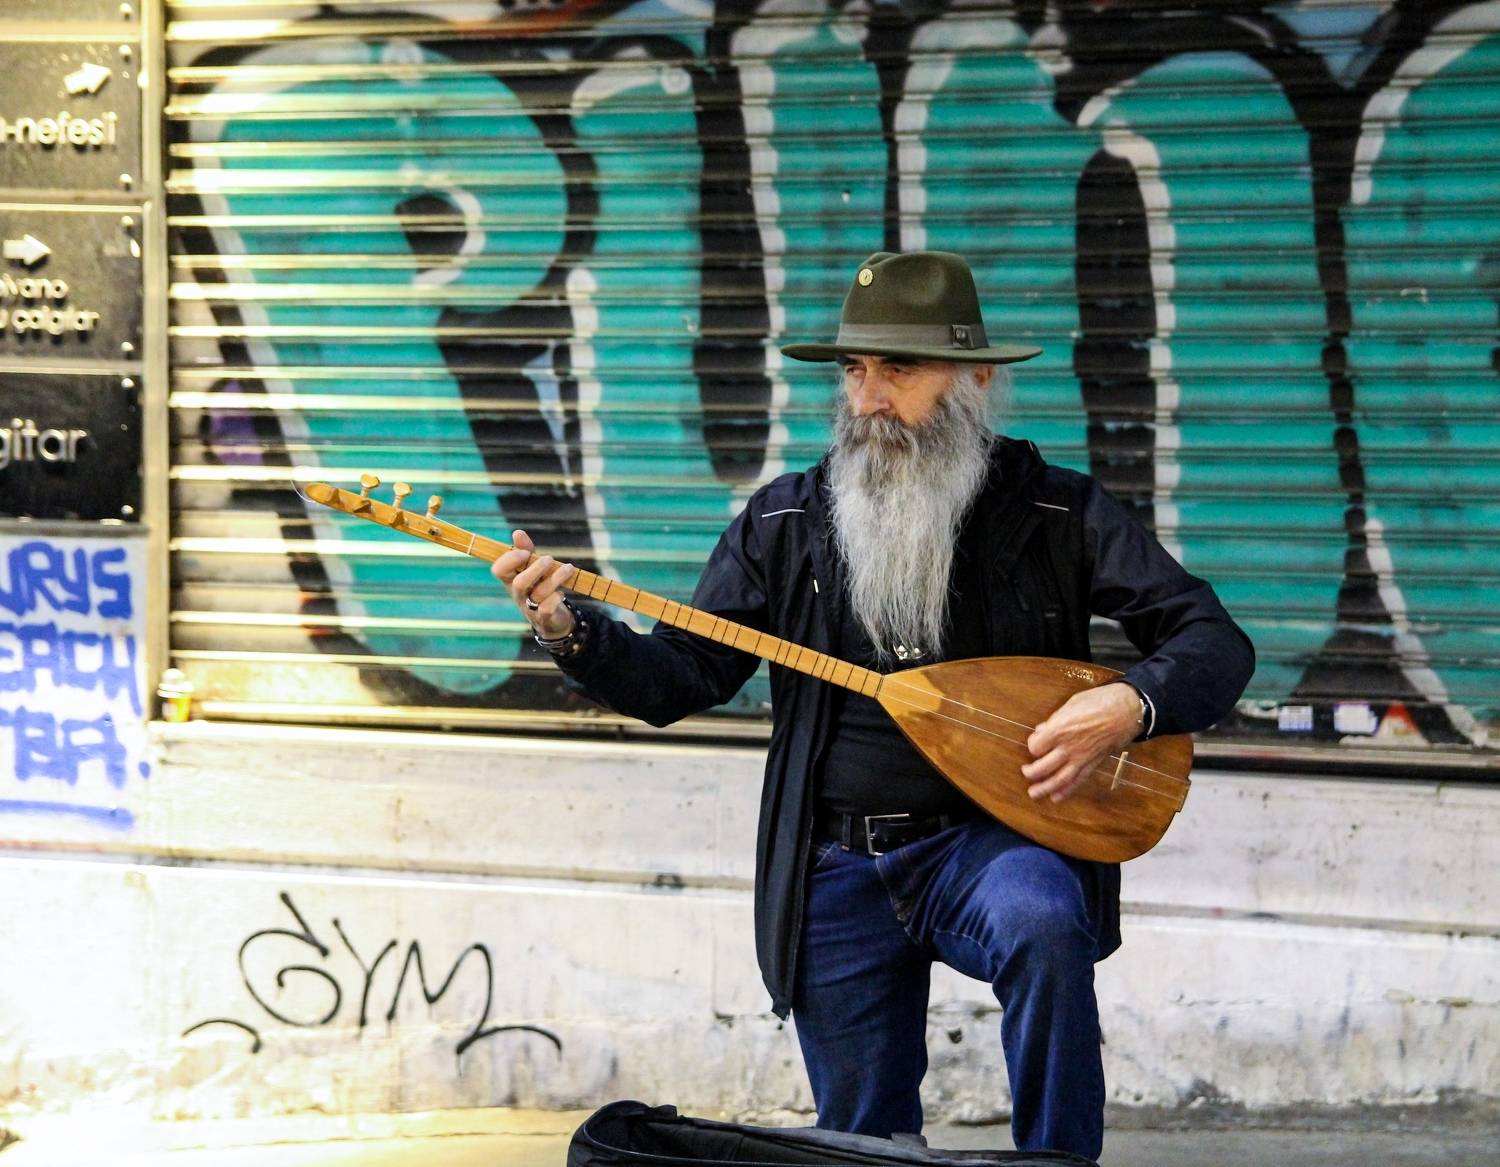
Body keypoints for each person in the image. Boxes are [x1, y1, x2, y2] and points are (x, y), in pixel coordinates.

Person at [493, 251, 1255, 1159]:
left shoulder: (1056, 513)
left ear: (974, 379)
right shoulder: (784, 521)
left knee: (1044, 924)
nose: (869, 398)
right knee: (862, 1140)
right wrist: (568, 630)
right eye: (855, 370)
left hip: (991, 841)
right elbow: (683, 676)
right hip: (838, 861)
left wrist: (1132, 703)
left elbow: (1214, 639)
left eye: (900, 369)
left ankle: (1058, 1159)